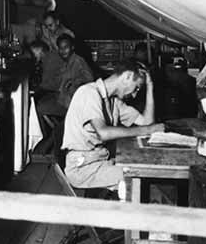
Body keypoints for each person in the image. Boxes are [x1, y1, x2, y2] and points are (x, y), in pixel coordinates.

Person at [61, 59, 165, 189]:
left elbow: (147, 123)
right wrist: (146, 130)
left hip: (100, 161)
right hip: (83, 168)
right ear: (127, 76)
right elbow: (104, 133)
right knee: (142, 175)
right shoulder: (88, 93)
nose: (134, 95)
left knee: (144, 168)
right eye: (136, 87)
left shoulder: (114, 102)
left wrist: (150, 87)